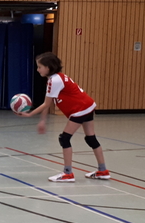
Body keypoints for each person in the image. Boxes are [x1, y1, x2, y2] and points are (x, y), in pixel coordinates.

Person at [20, 53, 110, 182]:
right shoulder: (57, 78)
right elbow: (49, 102)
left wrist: (30, 114)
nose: (38, 69)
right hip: (88, 105)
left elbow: (46, 104)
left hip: (80, 109)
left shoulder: (54, 81)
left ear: (48, 67)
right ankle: (103, 170)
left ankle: (68, 173)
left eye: (40, 67)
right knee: (91, 138)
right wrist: (42, 121)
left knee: (64, 138)